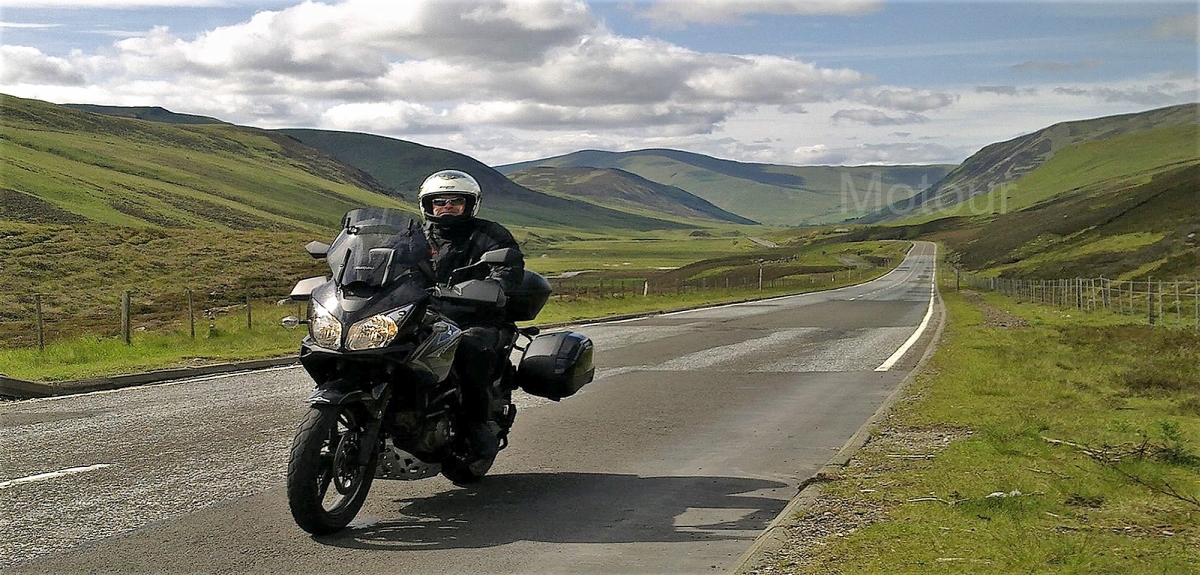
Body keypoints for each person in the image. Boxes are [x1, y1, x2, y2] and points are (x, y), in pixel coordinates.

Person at [417, 169, 524, 460]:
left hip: (476, 317)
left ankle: (475, 425)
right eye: (440, 201)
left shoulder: (490, 234)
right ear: (428, 205)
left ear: (469, 204)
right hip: (423, 316)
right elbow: (385, 259)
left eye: (455, 201)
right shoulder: (415, 235)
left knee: (469, 348)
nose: (447, 207)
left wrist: (493, 286)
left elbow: (508, 267)